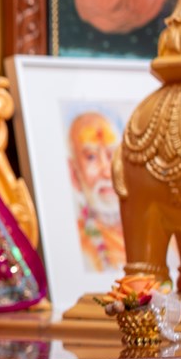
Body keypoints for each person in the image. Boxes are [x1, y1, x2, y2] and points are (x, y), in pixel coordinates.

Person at [66, 111, 125, 272]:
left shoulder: (164, 239)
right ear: (73, 173)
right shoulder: (78, 244)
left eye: (112, 155)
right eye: (91, 157)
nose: (106, 171)